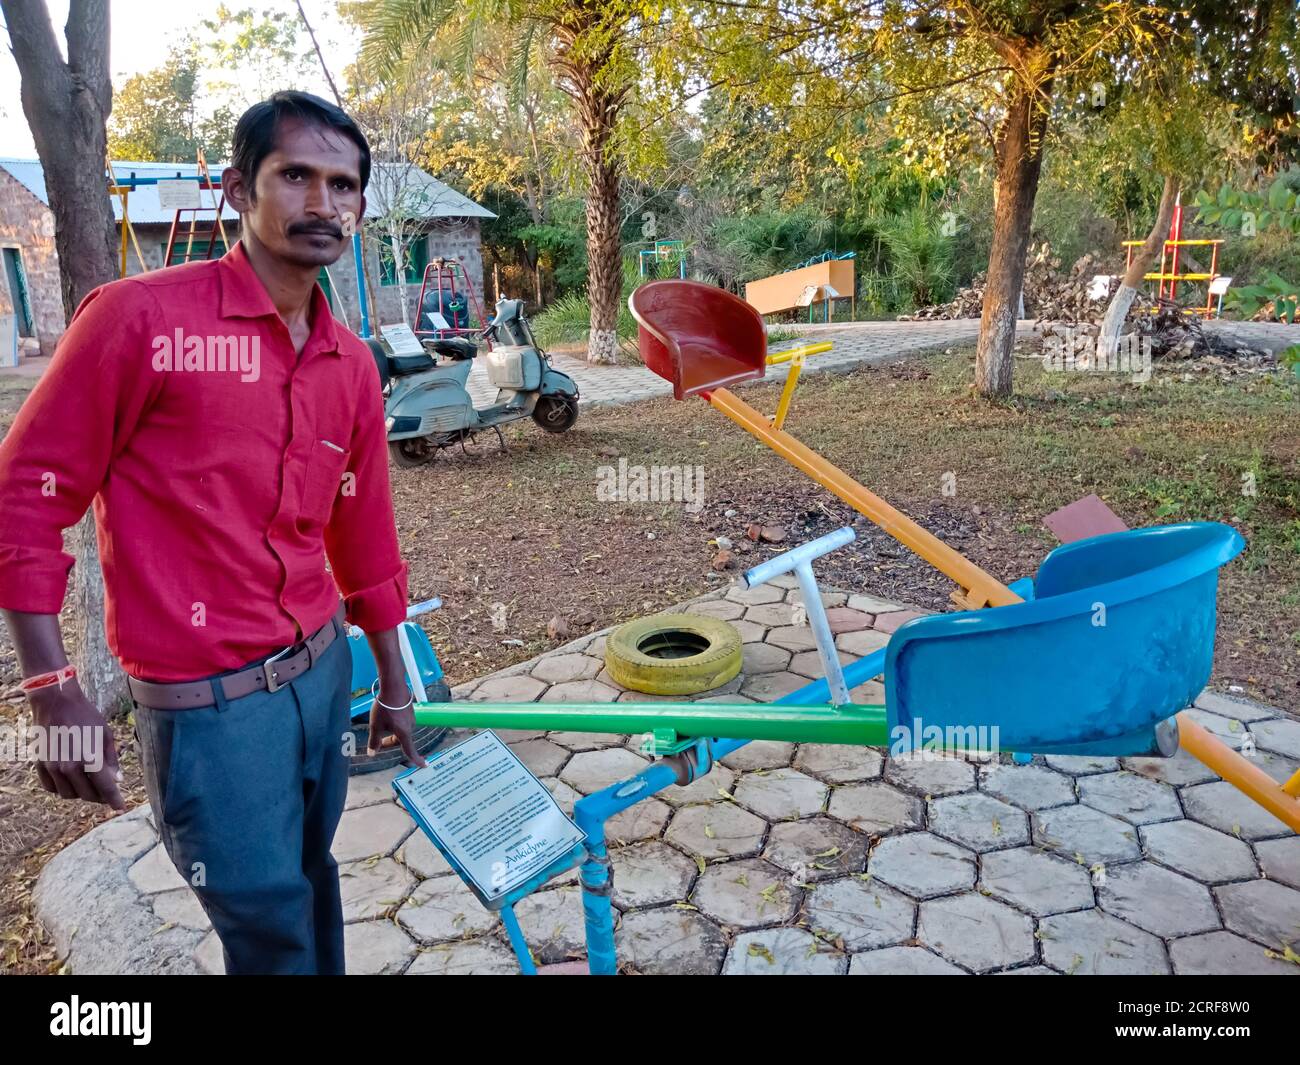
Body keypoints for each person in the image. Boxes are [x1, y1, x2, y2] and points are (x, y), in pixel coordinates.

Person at [0, 91, 426, 975]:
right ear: (240, 188)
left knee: (314, 882)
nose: (324, 203)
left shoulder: (348, 361)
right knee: (266, 924)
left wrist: (392, 676)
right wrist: (50, 686)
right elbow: (25, 495)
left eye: (343, 185)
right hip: (211, 713)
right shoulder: (139, 323)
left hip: (321, 676)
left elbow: (362, 526)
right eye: (296, 176)